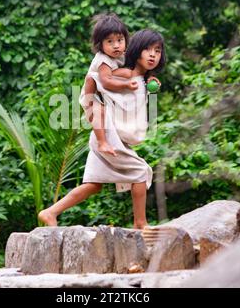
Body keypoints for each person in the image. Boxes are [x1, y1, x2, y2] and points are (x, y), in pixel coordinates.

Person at [38, 28, 166, 229]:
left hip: (109, 138)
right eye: (147, 49)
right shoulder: (123, 74)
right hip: (106, 137)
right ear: (136, 50)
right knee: (141, 173)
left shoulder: (141, 79)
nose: (152, 54)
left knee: (93, 185)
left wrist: (149, 81)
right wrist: (92, 102)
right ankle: (140, 223)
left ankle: (50, 212)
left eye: (157, 51)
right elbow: (96, 79)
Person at [79, 13, 136, 157]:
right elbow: (107, 82)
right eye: (109, 41)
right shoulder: (103, 60)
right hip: (92, 98)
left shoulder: (123, 55)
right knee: (100, 111)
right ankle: (102, 142)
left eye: (119, 40)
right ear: (100, 45)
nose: (116, 45)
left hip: (107, 98)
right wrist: (127, 85)